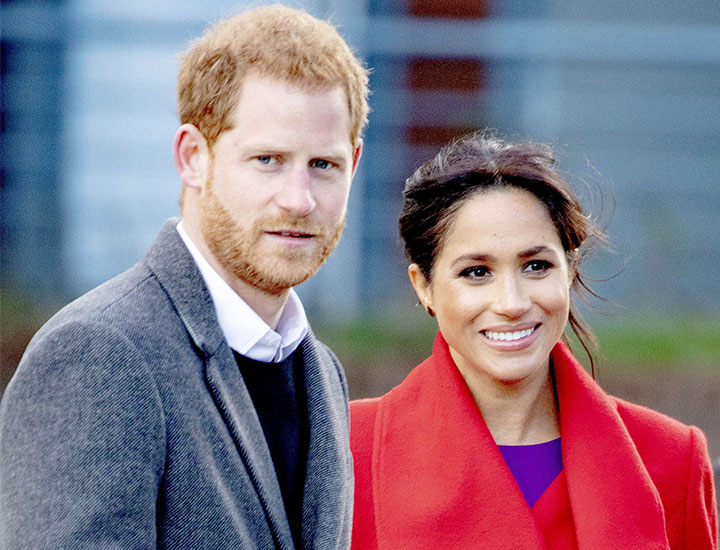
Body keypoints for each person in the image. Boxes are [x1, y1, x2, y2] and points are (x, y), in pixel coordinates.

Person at [0, 5, 368, 549]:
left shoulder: (322, 372)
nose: (299, 200)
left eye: (324, 165)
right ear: (193, 157)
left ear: (354, 164)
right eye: (267, 159)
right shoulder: (97, 354)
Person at [350, 132, 718, 549]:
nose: (512, 303)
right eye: (476, 272)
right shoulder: (346, 452)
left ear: (570, 269)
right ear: (424, 286)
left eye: (537, 266)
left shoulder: (671, 459)